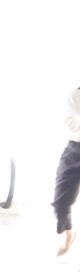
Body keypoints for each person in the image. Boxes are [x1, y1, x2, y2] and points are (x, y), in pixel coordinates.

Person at [52, 86, 80, 256]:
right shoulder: (75, 94)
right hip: (76, 149)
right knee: (60, 203)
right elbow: (69, 120)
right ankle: (68, 233)